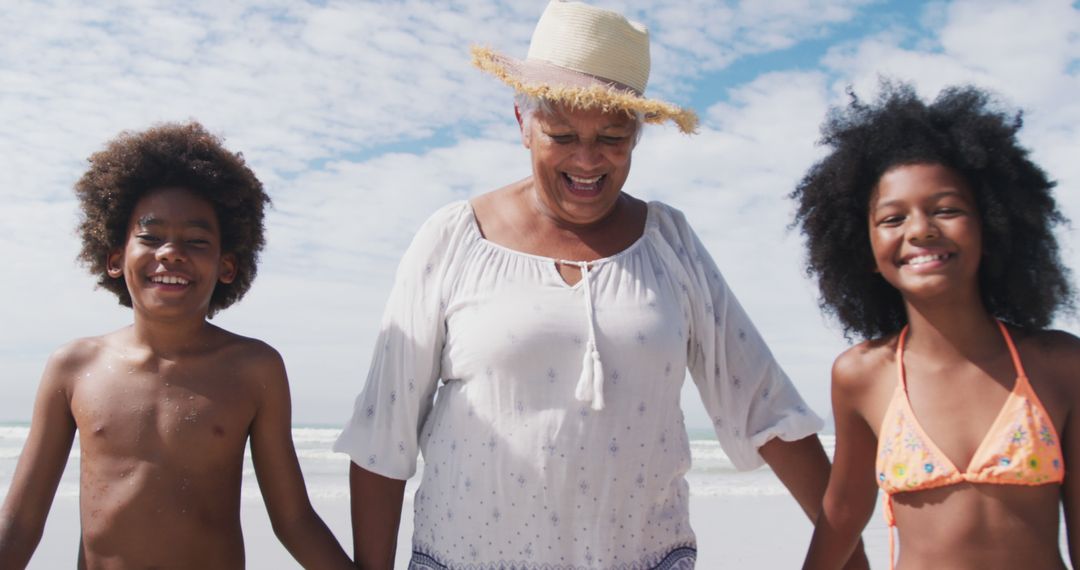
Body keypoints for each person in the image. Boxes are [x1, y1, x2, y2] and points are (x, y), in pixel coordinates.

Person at [335, 2, 865, 568]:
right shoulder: (454, 238)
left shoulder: (670, 241)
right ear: (523, 123)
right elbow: (382, 435)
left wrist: (849, 557)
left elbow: (764, 406)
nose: (587, 160)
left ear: (636, 134)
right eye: (561, 133)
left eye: (611, 137)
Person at [0, 122, 353, 569]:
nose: (170, 252)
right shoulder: (73, 367)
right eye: (150, 237)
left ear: (227, 265)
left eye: (196, 241)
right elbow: (22, 519)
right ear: (114, 257)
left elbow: (294, 519)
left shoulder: (253, 369)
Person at [794, 82, 1080, 569]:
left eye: (946, 209)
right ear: (862, 250)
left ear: (992, 226)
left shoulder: (1059, 363)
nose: (921, 228)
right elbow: (842, 514)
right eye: (892, 218)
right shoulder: (862, 375)